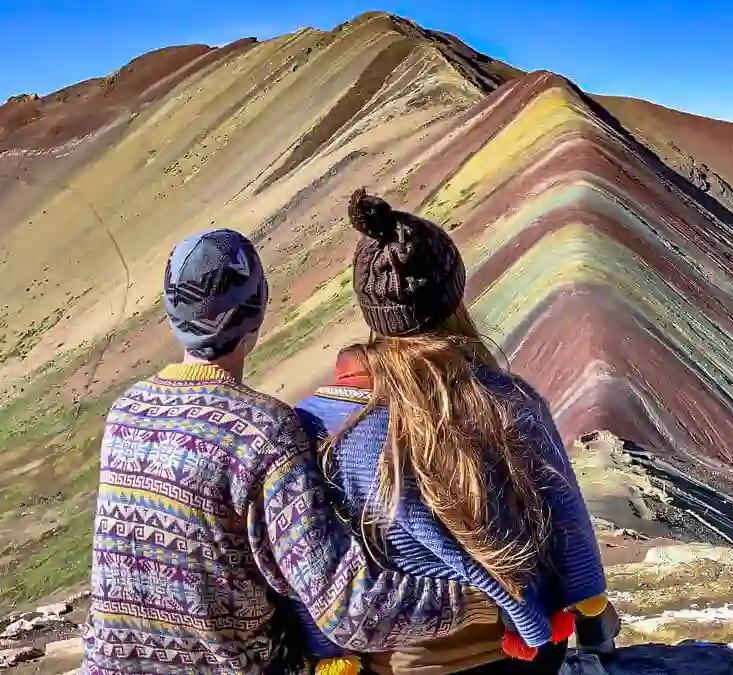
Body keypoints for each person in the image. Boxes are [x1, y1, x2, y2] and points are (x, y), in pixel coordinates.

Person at [82, 229, 501, 675]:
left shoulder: (127, 410)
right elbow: (345, 609)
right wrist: (475, 603)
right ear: (259, 306)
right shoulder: (263, 433)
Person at [293, 190, 618, 675]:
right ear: (452, 295)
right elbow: (567, 527)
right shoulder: (507, 400)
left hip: (396, 665)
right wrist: (593, 614)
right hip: (519, 653)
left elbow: (311, 563)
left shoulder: (318, 425)